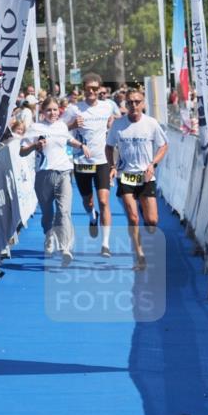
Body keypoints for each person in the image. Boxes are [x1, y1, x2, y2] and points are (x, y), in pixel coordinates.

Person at [20, 96, 91, 266]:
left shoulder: (61, 126)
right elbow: (22, 151)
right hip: (44, 175)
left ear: (59, 110)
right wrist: (35, 146)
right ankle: (49, 235)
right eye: (49, 110)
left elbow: (68, 139)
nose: (52, 113)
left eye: (55, 109)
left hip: (64, 172)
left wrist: (81, 146)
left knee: (63, 211)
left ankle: (65, 248)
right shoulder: (35, 128)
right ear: (43, 112)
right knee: (48, 214)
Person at [106, 90, 169, 270]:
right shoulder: (118, 124)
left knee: (152, 221)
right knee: (133, 218)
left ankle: (144, 211)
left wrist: (153, 164)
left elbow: (164, 145)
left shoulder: (151, 123)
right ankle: (139, 255)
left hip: (146, 176)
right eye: (130, 102)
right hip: (125, 176)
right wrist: (112, 166)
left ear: (143, 104)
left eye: (137, 101)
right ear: (125, 104)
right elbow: (109, 147)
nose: (134, 105)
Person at [65, 72, 119, 256]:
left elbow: (116, 120)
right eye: (88, 88)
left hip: (102, 161)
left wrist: (112, 124)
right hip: (82, 161)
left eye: (95, 89)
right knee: (88, 201)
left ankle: (105, 244)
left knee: (104, 201)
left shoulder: (107, 107)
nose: (92, 92)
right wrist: (72, 125)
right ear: (83, 89)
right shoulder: (74, 109)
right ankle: (92, 216)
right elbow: (59, 129)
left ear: (100, 89)